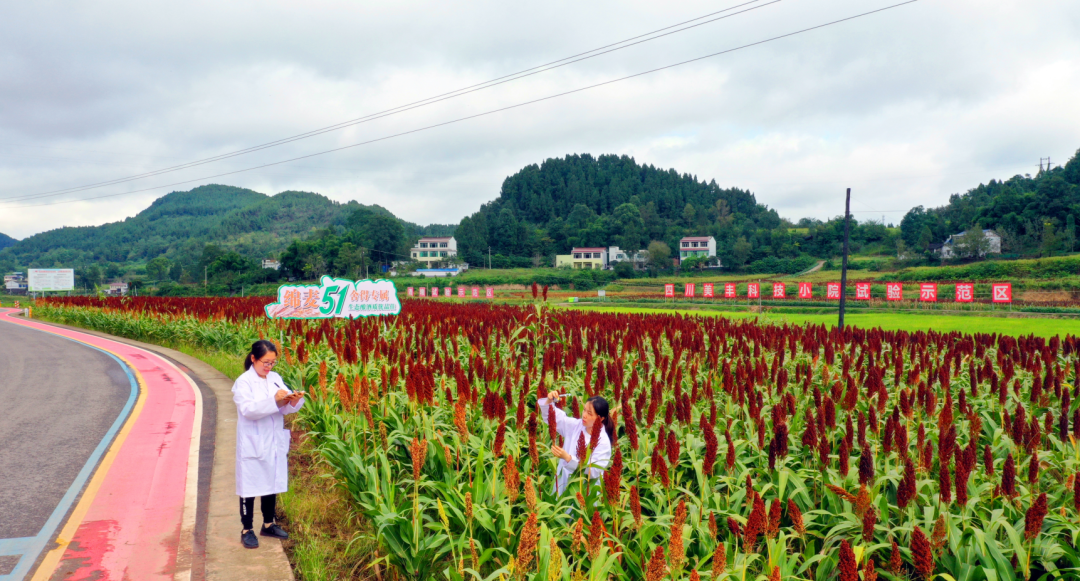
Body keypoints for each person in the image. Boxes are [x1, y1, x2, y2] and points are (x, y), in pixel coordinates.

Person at [233, 340, 304, 549]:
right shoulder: (244, 382)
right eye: (266, 362)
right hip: (253, 441)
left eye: (273, 362)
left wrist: (292, 400)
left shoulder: (275, 378)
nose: (269, 367)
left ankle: (268, 524)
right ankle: (247, 529)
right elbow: (248, 410)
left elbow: (283, 407)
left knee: (270, 482)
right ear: (253, 358)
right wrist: (274, 400)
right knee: (249, 486)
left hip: (273, 440)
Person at [537, 392, 614, 496]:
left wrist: (568, 458)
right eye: (584, 410)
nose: (584, 415)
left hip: (583, 491)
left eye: (589, 413)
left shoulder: (603, 442)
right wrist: (549, 401)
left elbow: (594, 470)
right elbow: (554, 419)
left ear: (601, 418)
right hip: (562, 483)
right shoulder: (576, 425)